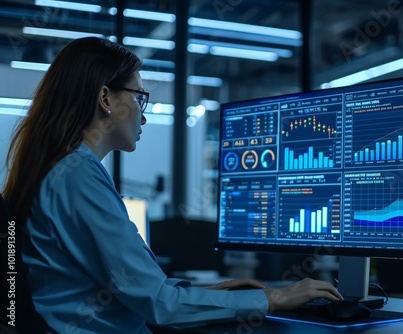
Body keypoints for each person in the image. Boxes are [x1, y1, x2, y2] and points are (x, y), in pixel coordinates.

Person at [2, 37, 342, 333]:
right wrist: (275, 297)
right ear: (106, 98)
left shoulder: (62, 168)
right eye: (139, 97)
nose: (144, 114)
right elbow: (159, 305)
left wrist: (209, 295)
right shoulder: (78, 176)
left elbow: (142, 291)